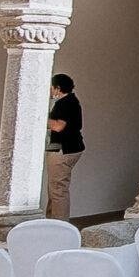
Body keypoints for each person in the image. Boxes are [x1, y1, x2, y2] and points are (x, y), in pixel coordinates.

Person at [46, 73, 84, 221]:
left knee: (58, 189)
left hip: (63, 149)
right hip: (72, 147)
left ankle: (59, 225)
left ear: (57, 88)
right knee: (55, 187)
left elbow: (58, 126)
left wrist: (40, 117)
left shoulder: (64, 103)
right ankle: (51, 220)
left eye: (50, 88)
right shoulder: (72, 101)